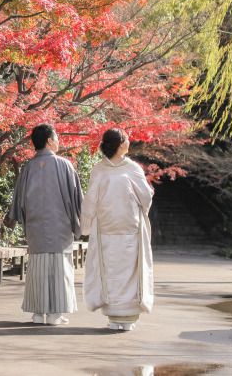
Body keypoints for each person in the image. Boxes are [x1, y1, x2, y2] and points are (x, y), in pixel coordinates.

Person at [6, 123, 83, 325]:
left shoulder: (28, 167)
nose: (58, 141)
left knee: (38, 269)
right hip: (60, 227)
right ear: (49, 141)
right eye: (56, 137)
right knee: (59, 269)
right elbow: (77, 199)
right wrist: (80, 221)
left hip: (35, 227)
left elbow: (19, 200)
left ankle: (38, 313)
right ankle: (56, 314)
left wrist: (24, 218)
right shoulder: (64, 165)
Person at [81, 128, 154, 331]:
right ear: (121, 144)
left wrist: (85, 225)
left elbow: (90, 200)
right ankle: (126, 316)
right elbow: (145, 198)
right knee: (127, 271)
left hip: (108, 226)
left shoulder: (100, 169)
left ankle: (115, 316)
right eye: (127, 139)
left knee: (110, 269)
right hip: (128, 225)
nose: (129, 142)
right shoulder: (132, 168)